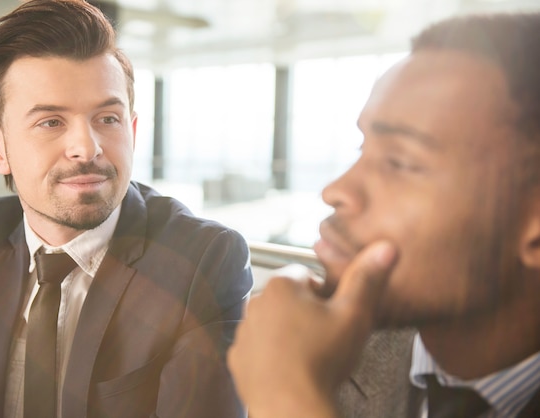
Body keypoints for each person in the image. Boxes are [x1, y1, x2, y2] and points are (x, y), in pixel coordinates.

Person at [0, 1, 253, 417]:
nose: (86, 148)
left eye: (107, 118)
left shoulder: (204, 258)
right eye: (50, 122)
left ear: (131, 130)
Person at [228, 11, 540, 418]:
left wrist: (289, 398)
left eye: (400, 162)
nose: (336, 190)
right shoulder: (330, 356)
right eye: (363, 149)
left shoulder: (298, 377)